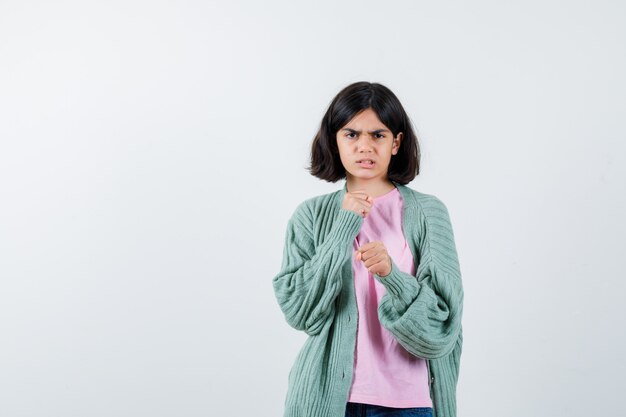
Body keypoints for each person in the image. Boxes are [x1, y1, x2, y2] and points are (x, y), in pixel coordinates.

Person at [272, 81, 464, 417]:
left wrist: (393, 276)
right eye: (351, 134)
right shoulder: (310, 216)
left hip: (409, 404)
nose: (365, 146)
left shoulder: (428, 214)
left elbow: (443, 326)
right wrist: (344, 226)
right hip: (327, 401)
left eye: (378, 135)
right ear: (335, 140)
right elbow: (300, 312)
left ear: (396, 142)